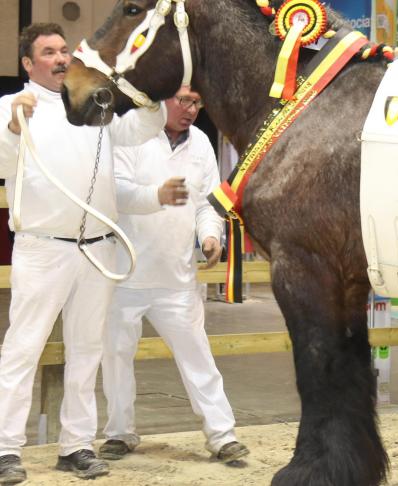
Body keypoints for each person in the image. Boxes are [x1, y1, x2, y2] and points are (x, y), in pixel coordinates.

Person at [0, 23, 166, 483]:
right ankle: (4, 449)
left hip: (97, 249)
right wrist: (15, 126)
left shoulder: (96, 106)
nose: (58, 58)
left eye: (63, 51)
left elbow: (143, 129)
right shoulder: (8, 108)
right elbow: (1, 161)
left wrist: (154, 96)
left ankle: (75, 445)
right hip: (43, 249)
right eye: (47, 52)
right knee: (23, 349)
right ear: (28, 65)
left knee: (87, 350)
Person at [99, 87, 249, 465]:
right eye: (183, 100)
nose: (191, 109)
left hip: (178, 276)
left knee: (198, 355)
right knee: (116, 356)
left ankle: (222, 435)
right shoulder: (129, 131)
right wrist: (156, 195)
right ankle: (118, 432)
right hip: (124, 273)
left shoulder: (200, 143)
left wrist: (211, 235)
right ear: (159, 99)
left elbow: (206, 202)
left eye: (198, 101)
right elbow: (114, 191)